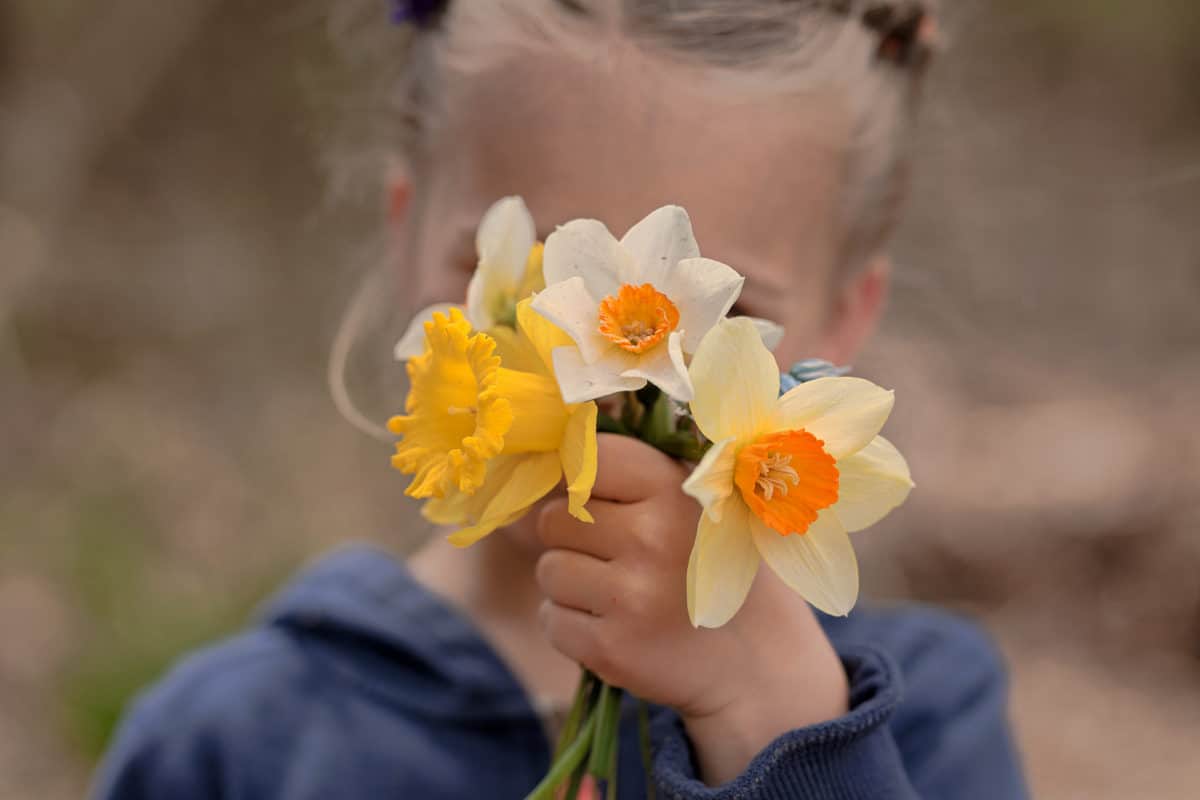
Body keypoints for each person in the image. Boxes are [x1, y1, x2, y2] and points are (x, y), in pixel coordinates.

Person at [93, 1, 1028, 797]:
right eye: (538, 288)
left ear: (844, 318)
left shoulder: (925, 722)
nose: (609, 382)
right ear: (408, 237)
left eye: (718, 309)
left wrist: (777, 719)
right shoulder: (233, 743)